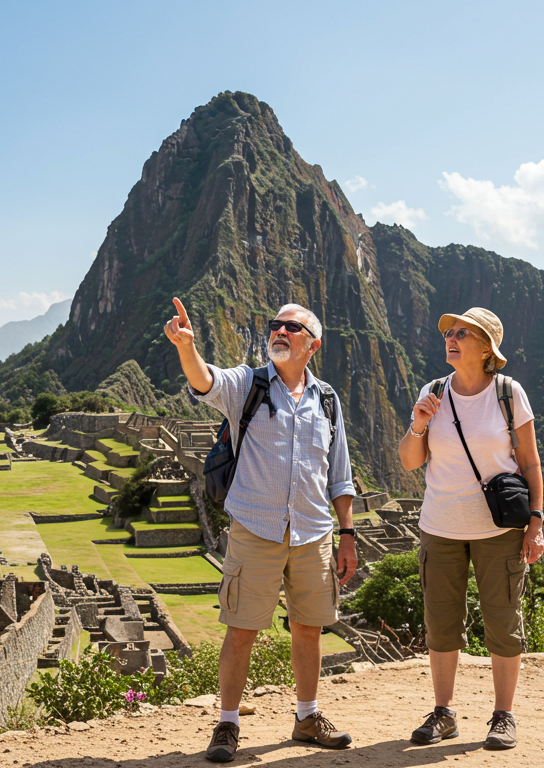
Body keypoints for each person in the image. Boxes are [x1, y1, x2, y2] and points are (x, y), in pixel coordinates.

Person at [163, 297, 357, 763]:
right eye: (275, 325)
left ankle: (307, 717)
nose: (280, 332)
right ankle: (227, 724)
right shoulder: (247, 384)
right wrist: (187, 348)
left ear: (313, 345)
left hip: (313, 532)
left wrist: (347, 534)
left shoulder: (327, 400)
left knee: (309, 629)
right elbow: (205, 381)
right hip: (256, 528)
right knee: (242, 630)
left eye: (292, 327)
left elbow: (339, 474)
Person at [397, 307, 544, 751]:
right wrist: (418, 424)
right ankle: (443, 713)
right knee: (441, 622)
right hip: (440, 525)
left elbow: (530, 463)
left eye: (463, 333)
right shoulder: (433, 392)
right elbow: (410, 461)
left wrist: (535, 522)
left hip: (498, 530)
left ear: (486, 349)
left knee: (502, 620)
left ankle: (503, 716)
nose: (452, 338)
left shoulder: (508, 393)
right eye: (450, 332)